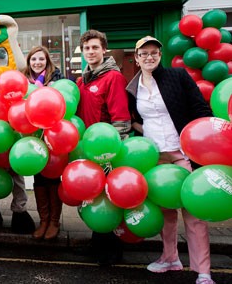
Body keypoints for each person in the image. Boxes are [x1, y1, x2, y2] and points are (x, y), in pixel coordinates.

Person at [126, 36, 215, 284]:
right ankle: (170, 258)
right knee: (166, 210)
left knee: (193, 210)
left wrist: (203, 144)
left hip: (183, 151)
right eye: (143, 54)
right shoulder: (133, 88)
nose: (149, 57)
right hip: (155, 155)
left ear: (160, 55)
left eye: (154, 52)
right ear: (136, 58)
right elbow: (135, 119)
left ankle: (203, 271)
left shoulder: (178, 77)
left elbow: (200, 110)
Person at [76, 29, 131, 266]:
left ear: (104, 49)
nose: (91, 52)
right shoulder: (81, 80)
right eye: (87, 48)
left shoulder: (113, 77)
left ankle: (112, 248)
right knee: (91, 194)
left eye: (95, 47)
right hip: (86, 147)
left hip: (107, 148)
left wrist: (115, 152)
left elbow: (120, 116)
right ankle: (97, 241)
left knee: (109, 197)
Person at [23, 46, 64, 240]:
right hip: (33, 136)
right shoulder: (24, 81)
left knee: (53, 177)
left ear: (47, 61)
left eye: (41, 59)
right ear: (29, 62)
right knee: (39, 178)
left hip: (54, 135)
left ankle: (54, 222)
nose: (37, 62)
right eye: (33, 59)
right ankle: (44, 221)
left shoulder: (56, 80)